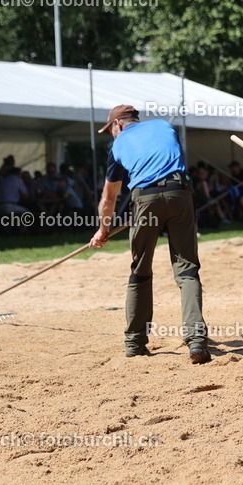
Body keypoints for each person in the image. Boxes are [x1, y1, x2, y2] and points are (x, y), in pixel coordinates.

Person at [90, 104, 210, 364]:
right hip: (180, 191)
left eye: (109, 129)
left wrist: (103, 230)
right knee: (187, 269)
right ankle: (196, 340)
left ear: (117, 125)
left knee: (140, 269)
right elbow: (167, 155)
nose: (111, 134)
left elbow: (109, 198)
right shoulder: (164, 126)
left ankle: (135, 343)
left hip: (144, 197)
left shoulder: (118, 145)